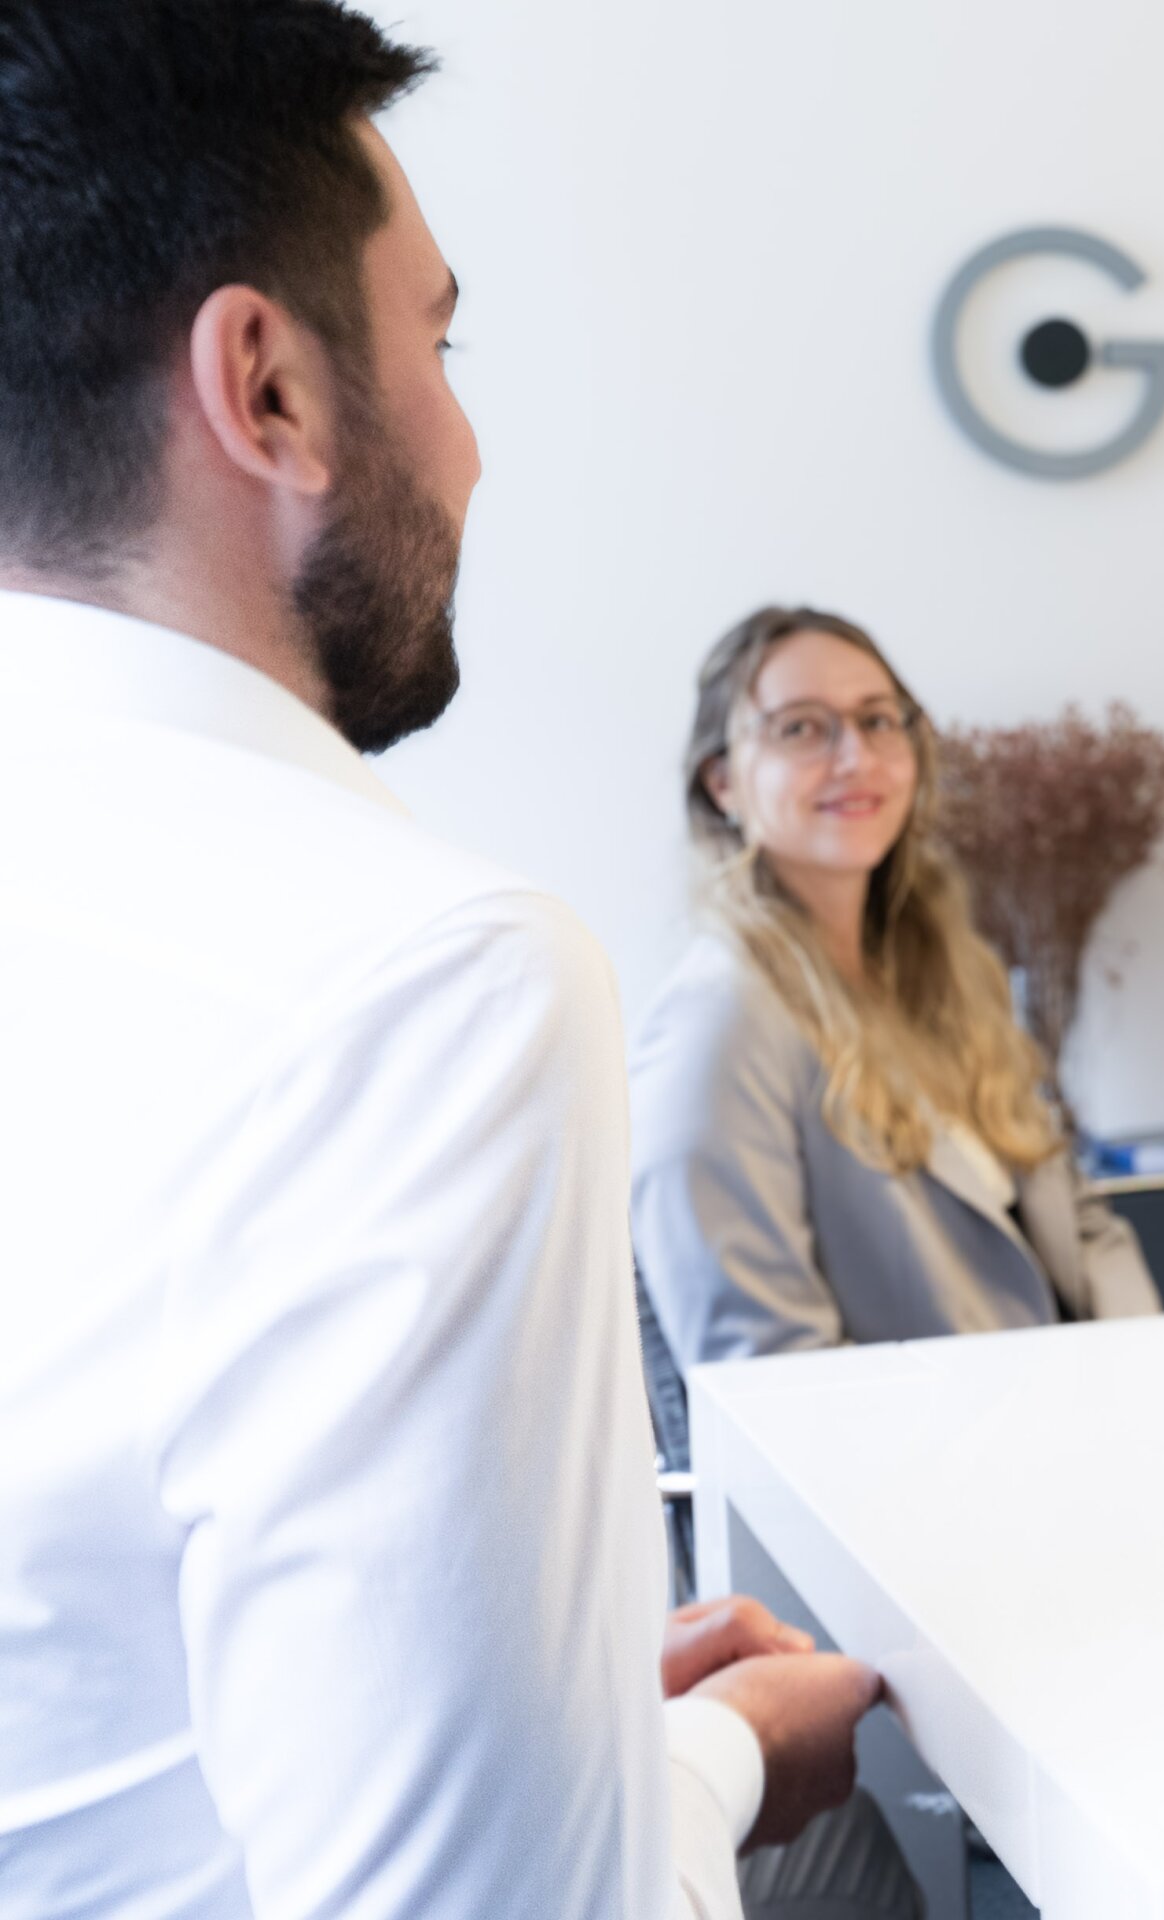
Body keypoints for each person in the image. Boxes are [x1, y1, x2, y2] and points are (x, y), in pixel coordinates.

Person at [0, 13, 914, 1920]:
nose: (476, 450)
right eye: (442, 339)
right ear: (267, 387)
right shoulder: (425, 987)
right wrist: (726, 1754)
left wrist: (579, 1736)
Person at [631, 605, 1160, 1375]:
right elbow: (769, 1376)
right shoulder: (717, 1023)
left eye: (879, 721)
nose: (855, 757)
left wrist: (1147, 1382)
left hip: (1081, 1426)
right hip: (923, 1478)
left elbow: (1080, 1221)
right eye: (801, 728)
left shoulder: (951, 972)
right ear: (722, 782)